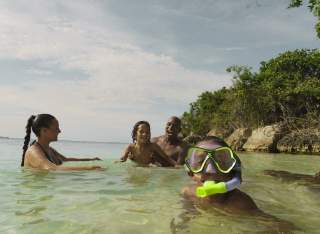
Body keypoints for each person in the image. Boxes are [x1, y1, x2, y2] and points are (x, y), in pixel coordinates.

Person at [182, 136, 259, 213]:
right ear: (191, 173)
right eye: (201, 161)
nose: (211, 171)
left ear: (231, 173)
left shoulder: (241, 204)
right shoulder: (189, 193)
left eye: (221, 161)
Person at [21, 114, 103, 171]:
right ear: (44, 131)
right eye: (56, 128)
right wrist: (90, 169)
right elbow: (51, 168)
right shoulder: (33, 152)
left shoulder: (50, 150)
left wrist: (91, 159)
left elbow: (66, 159)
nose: (59, 131)